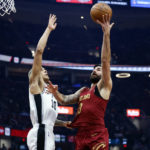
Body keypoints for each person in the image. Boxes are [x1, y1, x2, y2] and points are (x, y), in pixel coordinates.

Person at [47, 14, 114, 150]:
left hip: (97, 135)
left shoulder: (104, 86)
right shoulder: (83, 91)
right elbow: (64, 100)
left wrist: (106, 35)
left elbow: (105, 61)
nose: (95, 71)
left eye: (99, 70)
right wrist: (55, 92)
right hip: (81, 136)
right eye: (94, 69)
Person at [27, 14, 69, 150]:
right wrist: (49, 29)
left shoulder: (48, 90)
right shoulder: (36, 85)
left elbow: (49, 120)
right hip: (40, 133)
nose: (44, 70)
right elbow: (39, 51)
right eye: (41, 69)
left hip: (47, 133)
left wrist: (64, 123)